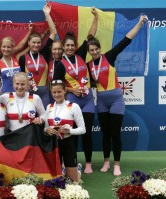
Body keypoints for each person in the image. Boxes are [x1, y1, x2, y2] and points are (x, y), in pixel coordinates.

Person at [86, 15, 148, 176]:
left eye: (96, 49)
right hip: (101, 101)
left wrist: (140, 23)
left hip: (116, 100)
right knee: (105, 134)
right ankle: (106, 162)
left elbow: (127, 39)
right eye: (91, 50)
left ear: (100, 48)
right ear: (89, 52)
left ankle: (117, 165)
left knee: (115, 133)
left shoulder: (110, 56)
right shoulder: (87, 66)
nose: (94, 52)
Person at [53, 7, 98, 174]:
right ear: (63, 47)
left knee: (86, 133)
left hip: (87, 101)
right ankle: (71, 164)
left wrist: (96, 18)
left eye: (72, 45)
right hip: (72, 102)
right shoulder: (59, 65)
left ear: (75, 46)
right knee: (72, 134)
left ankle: (87, 164)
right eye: (67, 46)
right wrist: (72, 89)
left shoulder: (81, 54)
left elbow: (91, 37)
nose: (70, 48)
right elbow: (56, 86)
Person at [44, 80, 86, 182]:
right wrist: (47, 130)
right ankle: (63, 170)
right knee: (55, 181)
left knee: (73, 182)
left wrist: (69, 131)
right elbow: (45, 127)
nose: (57, 95)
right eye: (54, 92)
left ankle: (78, 170)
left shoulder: (73, 106)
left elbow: (83, 129)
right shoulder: (49, 107)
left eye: (59, 92)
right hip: (54, 144)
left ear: (65, 91)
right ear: (51, 92)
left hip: (68, 143)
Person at [19, 3, 57, 108]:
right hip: (29, 93)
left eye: (38, 43)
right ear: (29, 43)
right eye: (33, 42)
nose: (36, 45)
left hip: (44, 93)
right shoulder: (23, 58)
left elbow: (53, 33)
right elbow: (21, 78)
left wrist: (47, 14)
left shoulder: (45, 53)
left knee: (45, 119)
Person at [0, 24, 33, 94]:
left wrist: (30, 32)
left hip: (19, 94)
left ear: (12, 48)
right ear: (0, 47)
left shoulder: (16, 59)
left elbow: (29, 46)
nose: (6, 49)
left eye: (8, 47)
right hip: (5, 96)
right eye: (4, 47)